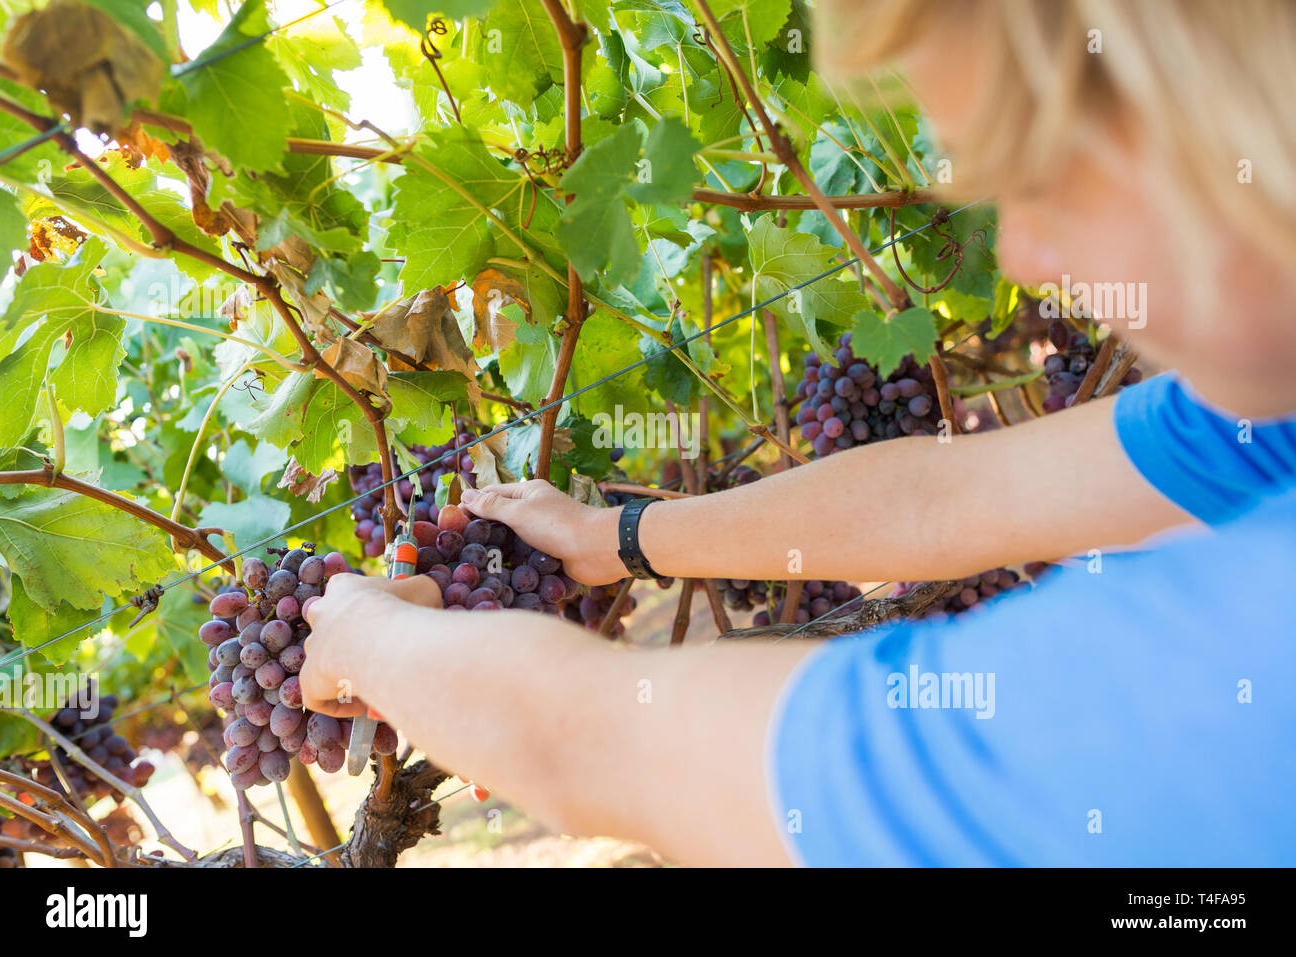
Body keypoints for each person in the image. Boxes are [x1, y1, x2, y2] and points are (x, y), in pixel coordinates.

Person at [300, 0, 1296, 866]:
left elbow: (606, 751)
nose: (1024, 251)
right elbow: (951, 494)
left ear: (1243, 111)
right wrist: (620, 538)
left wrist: (370, 640)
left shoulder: (1237, 660)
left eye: (1047, 173)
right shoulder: (1268, 427)